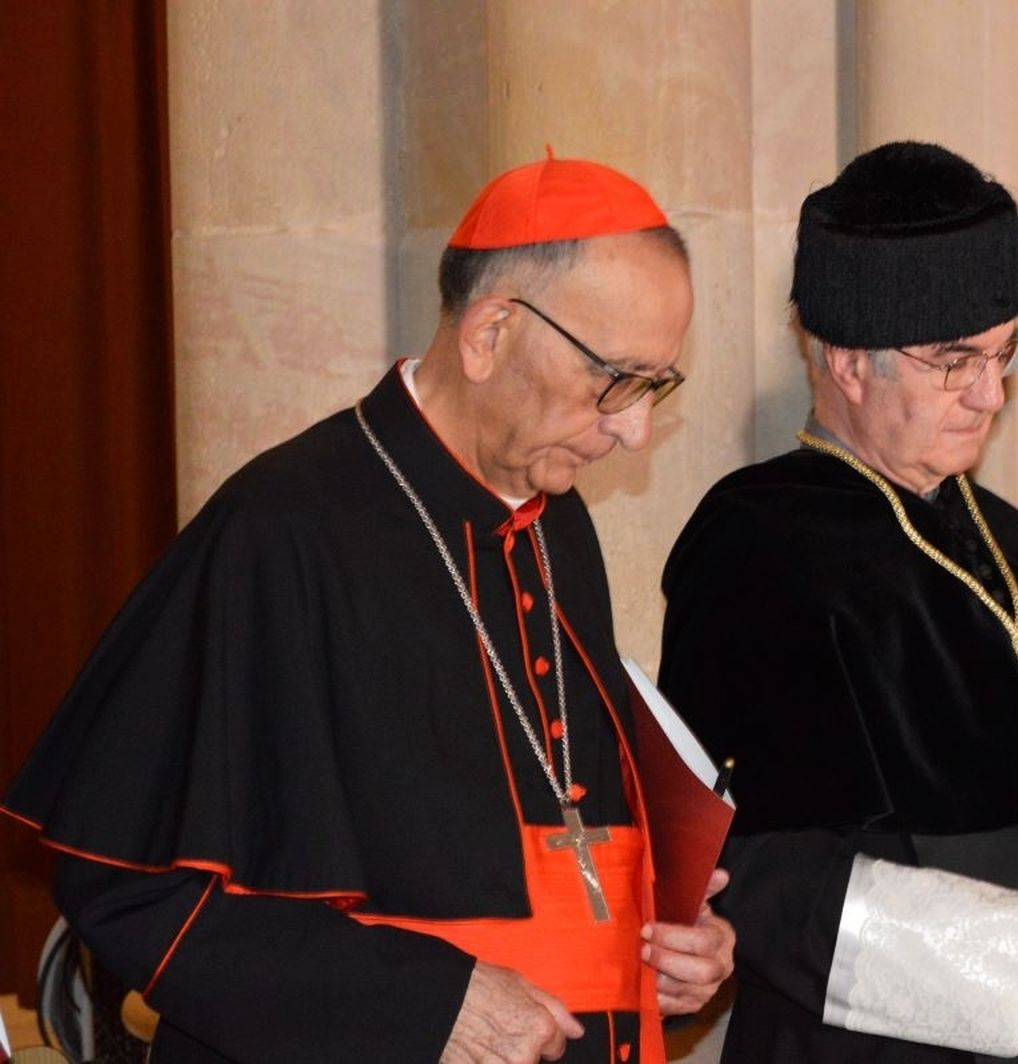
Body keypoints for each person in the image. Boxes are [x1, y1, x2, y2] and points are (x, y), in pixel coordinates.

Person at [1, 155, 734, 1063]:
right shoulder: (281, 529)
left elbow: (557, 858)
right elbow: (128, 888)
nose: (633, 430)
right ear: (490, 333)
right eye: (615, 381)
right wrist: (421, 1005)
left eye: (656, 385)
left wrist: (664, 943)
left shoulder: (558, 527)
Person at [657, 141, 1018, 1064]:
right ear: (848, 361)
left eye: (1005, 350)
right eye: (955, 361)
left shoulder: (1009, 542)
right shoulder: (757, 548)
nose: (991, 394)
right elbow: (749, 873)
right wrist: (1008, 950)